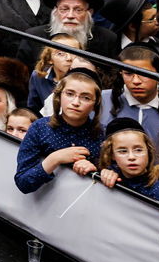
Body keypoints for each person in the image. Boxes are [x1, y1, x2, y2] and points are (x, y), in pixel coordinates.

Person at [13, 66, 106, 194]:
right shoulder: (40, 128)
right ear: (58, 96)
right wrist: (55, 159)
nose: (75, 102)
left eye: (86, 98)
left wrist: (97, 172)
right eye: (70, 94)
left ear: (95, 104)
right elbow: (23, 183)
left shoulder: (103, 135)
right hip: (44, 205)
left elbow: (114, 179)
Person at [95, 117, 159, 201]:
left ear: (149, 151)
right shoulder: (107, 176)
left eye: (138, 150)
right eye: (123, 151)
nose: (131, 157)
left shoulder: (158, 192)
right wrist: (103, 175)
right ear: (112, 155)